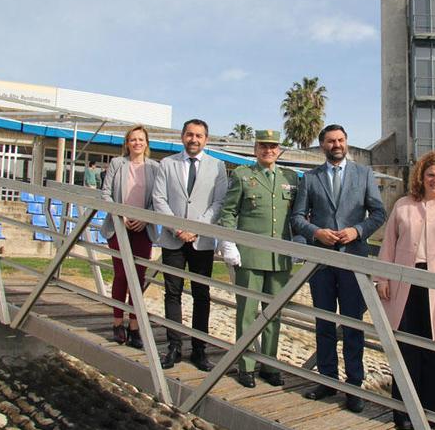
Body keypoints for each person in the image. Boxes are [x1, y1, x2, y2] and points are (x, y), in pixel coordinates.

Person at [290, 124, 386, 413]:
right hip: (321, 263)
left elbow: (379, 212)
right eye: (331, 141)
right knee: (324, 322)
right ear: (322, 145)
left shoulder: (364, 174)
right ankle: (328, 380)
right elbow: (296, 218)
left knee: (353, 324)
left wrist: (358, 231)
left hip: (353, 260)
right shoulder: (310, 178)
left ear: (346, 142)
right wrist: (316, 232)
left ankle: (353, 386)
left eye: (341, 140)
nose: (337, 144)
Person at [374, 150, 435, 430]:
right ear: (421, 176)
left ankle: (430, 417)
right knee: (405, 353)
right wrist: (382, 278)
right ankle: (402, 415)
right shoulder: (403, 205)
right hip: (405, 284)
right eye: (430, 174)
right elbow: (388, 244)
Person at [217, 129, 298, 389]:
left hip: (280, 258)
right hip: (250, 256)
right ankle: (246, 365)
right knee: (247, 314)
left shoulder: (290, 178)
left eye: (273, 146)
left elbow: (296, 215)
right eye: (263, 146)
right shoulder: (242, 175)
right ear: (255, 149)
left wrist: (299, 243)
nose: (268, 150)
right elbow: (228, 212)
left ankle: (270, 366)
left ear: (279, 150)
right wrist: (228, 242)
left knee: (274, 315)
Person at [152, 118, 228, 372]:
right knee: (172, 293)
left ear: (206, 139)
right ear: (182, 137)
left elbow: (219, 203)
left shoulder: (218, 167)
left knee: (201, 295)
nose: (193, 139)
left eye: (199, 135)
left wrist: (196, 229)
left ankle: (199, 349)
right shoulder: (167, 164)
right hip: (173, 239)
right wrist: (177, 227)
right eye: (189, 135)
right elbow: (159, 198)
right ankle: (174, 346)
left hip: (201, 241)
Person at [100, 125, 160, 349]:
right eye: (133, 139)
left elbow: (157, 198)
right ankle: (118, 322)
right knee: (121, 274)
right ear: (127, 143)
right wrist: (120, 214)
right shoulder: (118, 164)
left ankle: (134, 325)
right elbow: (105, 193)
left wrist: (146, 218)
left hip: (143, 229)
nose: (137, 143)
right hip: (119, 226)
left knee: (138, 277)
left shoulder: (155, 167)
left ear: (146, 143)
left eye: (141, 139)